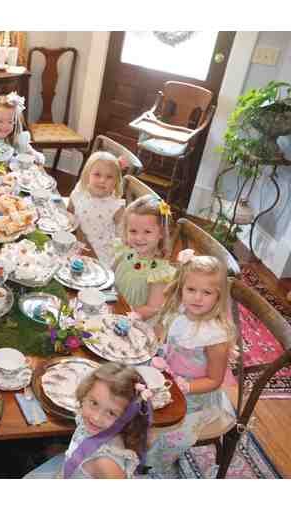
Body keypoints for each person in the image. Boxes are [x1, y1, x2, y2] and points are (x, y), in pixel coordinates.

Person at [145, 250, 236, 476]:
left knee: (164, 436)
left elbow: (214, 380)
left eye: (207, 292)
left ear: (219, 296)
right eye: (191, 289)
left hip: (196, 399)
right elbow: (169, 338)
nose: (197, 298)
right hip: (169, 378)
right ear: (182, 288)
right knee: (129, 394)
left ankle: (154, 468)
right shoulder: (182, 311)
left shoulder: (215, 336)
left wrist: (186, 386)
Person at [25, 362, 152, 478]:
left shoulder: (106, 464)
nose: (96, 417)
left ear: (129, 419)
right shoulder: (92, 423)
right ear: (85, 393)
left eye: (111, 413)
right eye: (94, 403)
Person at [113, 194, 176, 322]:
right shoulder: (125, 251)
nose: (139, 238)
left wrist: (124, 316)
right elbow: (111, 274)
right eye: (133, 231)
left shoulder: (159, 272)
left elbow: (152, 308)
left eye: (147, 232)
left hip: (132, 321)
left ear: (161, 233)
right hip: (114, 305)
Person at [67, 151, 126, 268]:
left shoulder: (116, 206)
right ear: (87, 174)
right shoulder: (80, 190)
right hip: (76, 240)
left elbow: (124, 237)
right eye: (97, 174)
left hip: (98, 255)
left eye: (109, 177)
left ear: (116, 181)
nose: (102, 180)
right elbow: (69, 211)